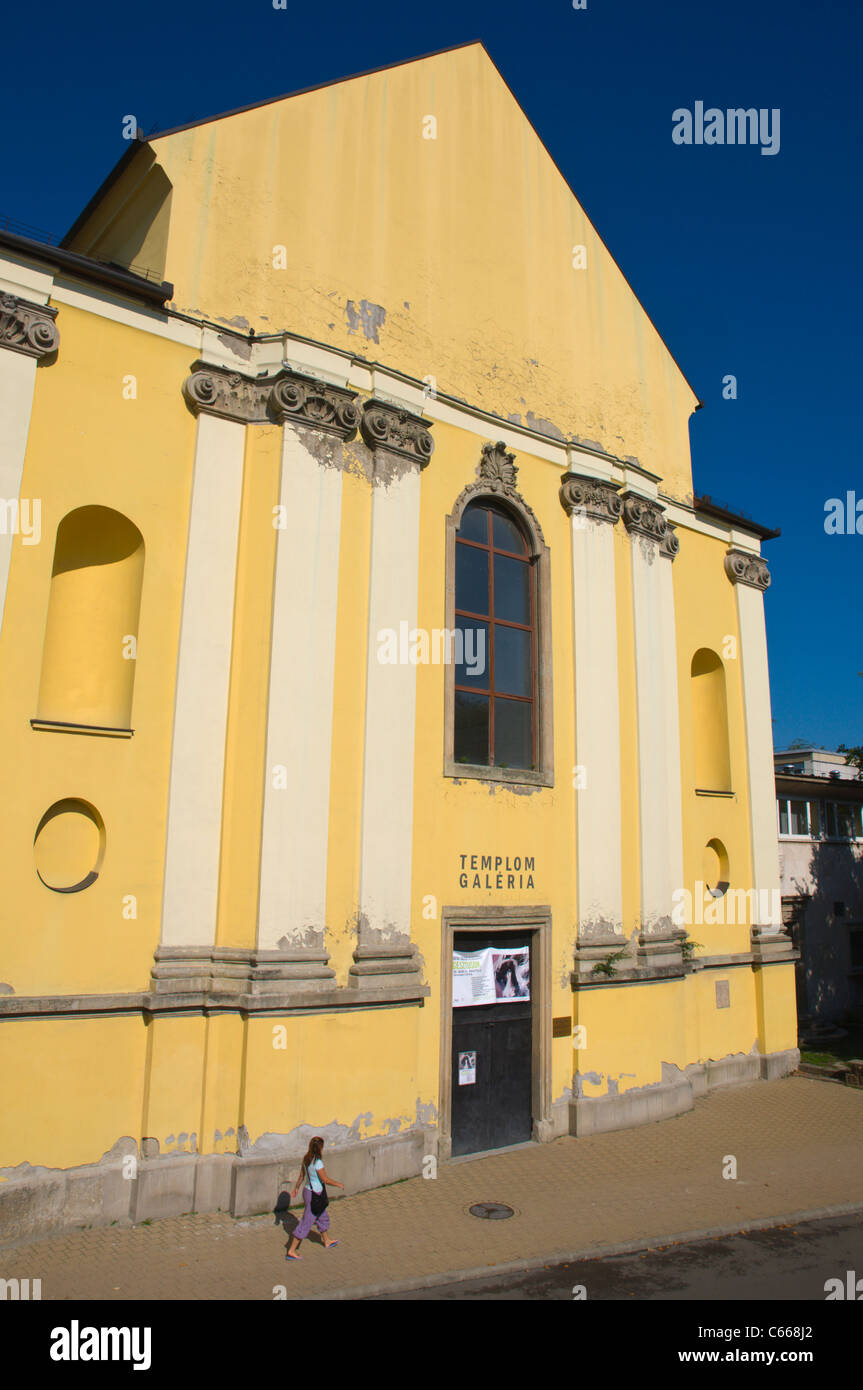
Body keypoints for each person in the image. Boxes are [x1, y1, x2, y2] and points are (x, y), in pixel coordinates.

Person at [286, 1135, 344, 1259]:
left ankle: (326, 1240)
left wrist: (296, 1188)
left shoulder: (306, 1159)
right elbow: (325, 1179)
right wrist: (338, 1184)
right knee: (306, 1222)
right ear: (319, 1149)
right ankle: (291, 1250)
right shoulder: (317, 1162)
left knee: (322, 1216)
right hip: (315, 1195)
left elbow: (301, 1176)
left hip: (307, 1191)